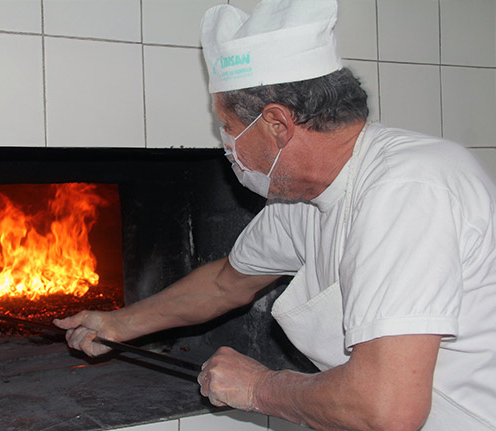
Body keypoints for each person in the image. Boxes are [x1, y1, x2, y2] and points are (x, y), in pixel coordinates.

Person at [54, 1, 496, 429]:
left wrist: (260, 389)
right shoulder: (302, 196)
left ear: (277, 124)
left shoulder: (407, 189)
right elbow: (226, 283)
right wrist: (117, 323)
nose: (226, 144)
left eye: (227, 127)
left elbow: (386, 409)